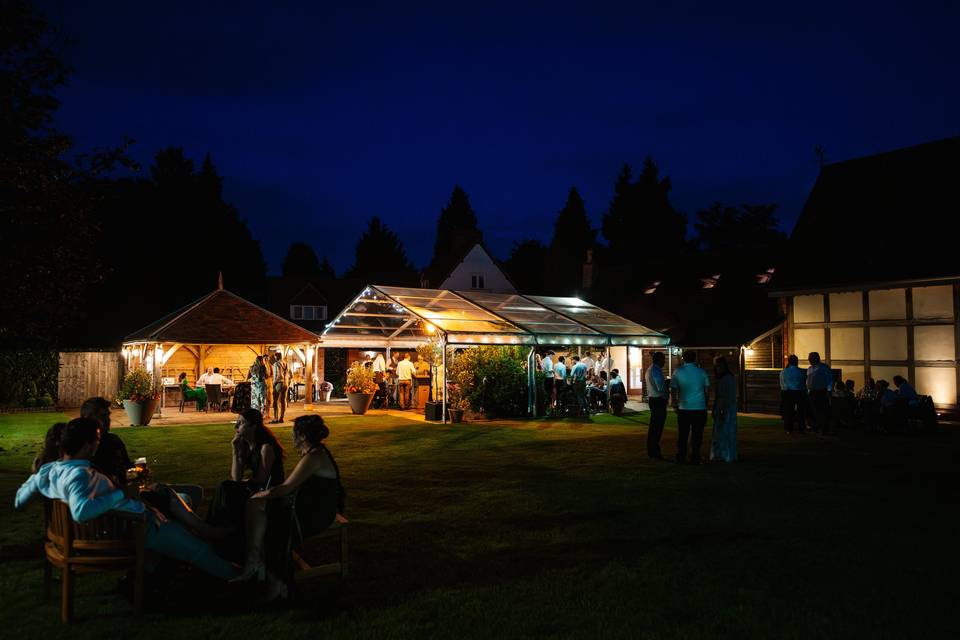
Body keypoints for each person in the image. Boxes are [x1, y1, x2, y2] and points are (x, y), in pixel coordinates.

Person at [15, 418, 239, 579]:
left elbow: (19, 500)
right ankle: (238, 577)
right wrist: (123, 493)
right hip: (131, 531)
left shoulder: (49, 471)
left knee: (180, 510)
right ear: (86, 445)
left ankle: (159, 572)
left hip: (119, 526)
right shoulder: (79, 475)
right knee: (198, 549)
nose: (99, 443)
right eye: (97, 439)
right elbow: (81, 511)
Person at [234, 415, 345, 601]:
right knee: (258, 508)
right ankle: (262, 568)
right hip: (310, 507)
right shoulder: (314, 453)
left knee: (265, 518)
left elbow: (286, 488)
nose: (292, 436)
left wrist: (262, 494)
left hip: (318, 514)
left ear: (302, 436)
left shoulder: (314, 457)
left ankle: (268, 574)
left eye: (294, 433)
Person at [670, 351, 710, 464]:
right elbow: (707, 390)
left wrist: (674, 403)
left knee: (683, 433)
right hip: (699, 407)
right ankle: (695, 456)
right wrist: (706, 403)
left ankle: (681, 456)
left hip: (684, 407)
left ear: (683, 358)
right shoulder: (701, 372)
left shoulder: (678, 372)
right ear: (695, 358)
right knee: (697, 434)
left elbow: (673, 389)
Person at [82, 396, 133, 485]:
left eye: (108, 415)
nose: (108, 420)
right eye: (103, 416)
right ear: (88, 417)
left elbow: (127, 466)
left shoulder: (114, 440)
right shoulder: (81, 445)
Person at [710, 356, 738, 463]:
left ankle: (721, 455)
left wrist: (719, 410)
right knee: (730, 432)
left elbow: (721, 396)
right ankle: (730, 455)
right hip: (731, 408)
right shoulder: (731, 377)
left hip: (724, 408)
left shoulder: (723, 379)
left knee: (721, 432)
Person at [645, 352, 668, 459]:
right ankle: (654, 450)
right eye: (663, 359)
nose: (664, 362)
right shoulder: (656, 371)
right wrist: (667, 385)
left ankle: (652, 449)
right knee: (657, 427)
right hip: (658, 400)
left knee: (654, 427)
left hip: (653, 399)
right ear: (659, 360)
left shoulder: (650, 369)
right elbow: (660, 387)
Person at [779, 355, 807, 434]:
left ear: (789, 361)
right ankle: (801, 428)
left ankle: (788, 429)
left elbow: (782, 384)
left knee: (788, 411)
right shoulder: (802, 371)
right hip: (800, 392)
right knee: (801, 411)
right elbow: (804, 383)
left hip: (787, 392)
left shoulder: (783, 372)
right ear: (797, 361)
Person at [806, 352, 833, 435]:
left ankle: (822, 429)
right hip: (812, 392)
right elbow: (808, 380)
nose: (809, 360)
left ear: (817, 358)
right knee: (812, 411)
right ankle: (815, 428)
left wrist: (828, 391)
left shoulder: (824, 367)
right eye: (809, 358)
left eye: (811, 358)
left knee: (821, 411)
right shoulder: (809, 368)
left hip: (821, 392)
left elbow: (829, 380)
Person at [271, 352, 289, 424]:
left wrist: (274, 383)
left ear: (276, 357)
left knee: (275, 401)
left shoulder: (276, 364)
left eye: (275, 357)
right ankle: (281, 418)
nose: (274, 358)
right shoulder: (285, 363)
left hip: (279, 383)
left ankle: (276, 418)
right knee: (283, 401)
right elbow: (288, 374)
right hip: (285, 383)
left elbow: (278, 375)